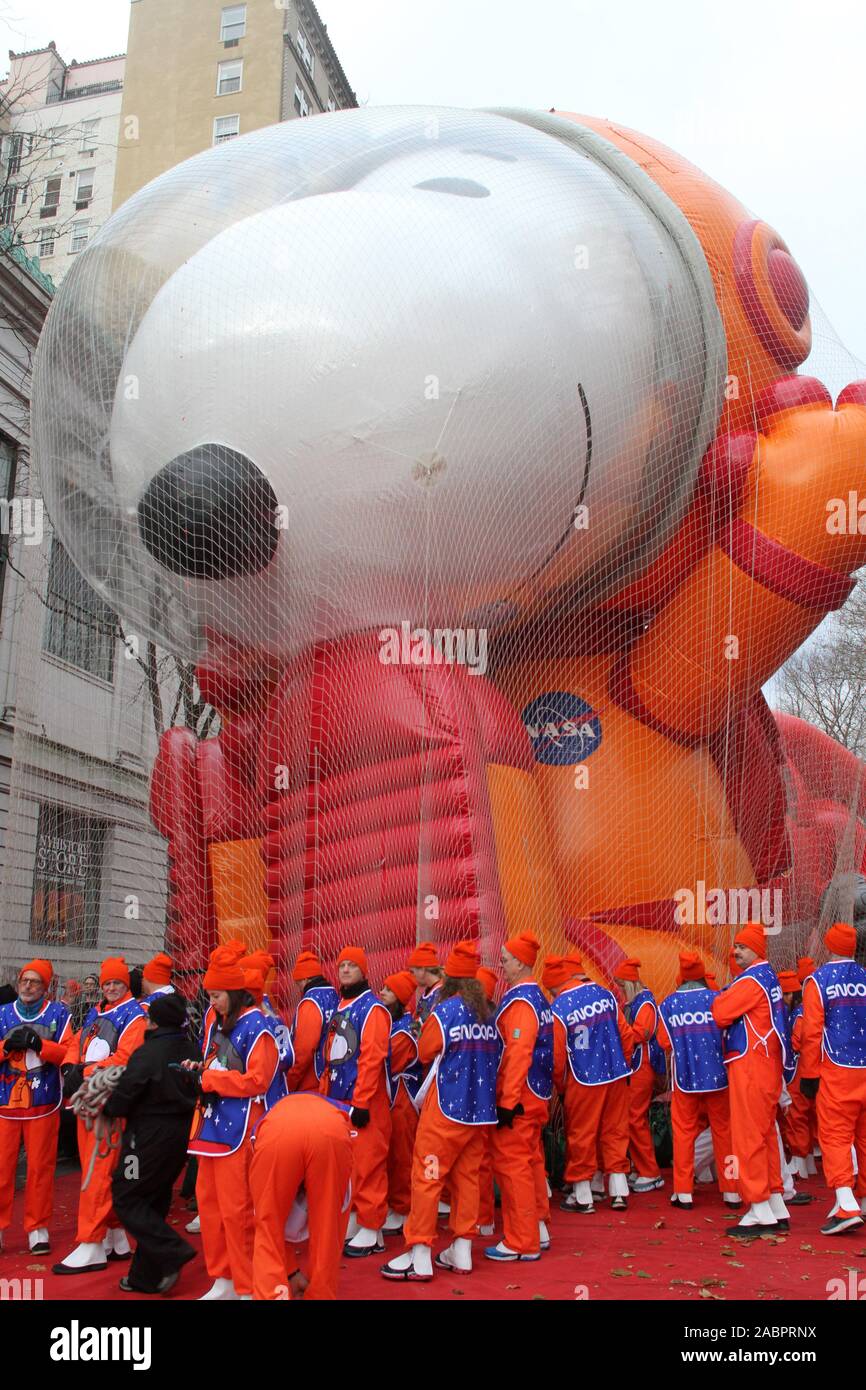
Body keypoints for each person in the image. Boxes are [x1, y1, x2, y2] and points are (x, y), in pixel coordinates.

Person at [381, 940, 498, 1281]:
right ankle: (461, 1250)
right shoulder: (488, 1013)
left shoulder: (445, 1012)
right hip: (480, 1111)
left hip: (446, 1108)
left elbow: (426, 1050)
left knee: (427, 1177)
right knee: (466, 1180)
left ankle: (419, 1253)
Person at [185, 946, 281, 1300]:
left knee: (237, 1210)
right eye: (210, 995)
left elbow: (259, 1080)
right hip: (210, 1124)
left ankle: (246, 1284)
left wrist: (210, 1081)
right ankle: (221, 1278)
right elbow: (216, 1065)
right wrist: (198, 1072)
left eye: (217, 996)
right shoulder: (217, 1021)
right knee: (209, 1207)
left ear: (235, 993)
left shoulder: (259, 1025)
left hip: (241, 1128)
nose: (212, 1003)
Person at [53, 957, 147, 1274]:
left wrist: (86, 1070)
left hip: (108, 1103)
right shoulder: (98, 1011)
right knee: (103, 1170)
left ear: (125, 984)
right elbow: (78, 1041)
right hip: (91, 1099)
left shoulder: (135, 1016)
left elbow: (126, 1058)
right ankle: (115, 1234)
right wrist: (70, 1065)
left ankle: (91, 1242)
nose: (110, 987)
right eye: (107, 983)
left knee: (98, 1171)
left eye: (116, 982)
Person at [103, 992, 198, 1294]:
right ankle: (144, 1276)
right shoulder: (191, 1047)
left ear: (153, 1021)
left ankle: (172, 1251)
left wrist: (108, 1107)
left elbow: (126, 1094)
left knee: (126, 1194)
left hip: (145, 1138)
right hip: (182, 1133)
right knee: (155, 1199)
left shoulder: (148, 1053)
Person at [711, 923, 792, 1237]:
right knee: (765, 1136)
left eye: (742, 947)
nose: (736, 952)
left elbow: (720, 1012)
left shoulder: (752, 979)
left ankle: (758, 1207)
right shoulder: (768, 975)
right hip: (767, 1066)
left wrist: (722, 996)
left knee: (747, 1138)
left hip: (750, 1065)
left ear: (756, 948)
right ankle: (775, 1202)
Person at [485, 931, 553, 1262]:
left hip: (521, 1097)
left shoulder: (523, 1002)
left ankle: (520, 1240)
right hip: (535, 1094)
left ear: (521, 963)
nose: (502, 964)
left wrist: (507, 1102)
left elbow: (518, 1052)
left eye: (506, 959)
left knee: (514, 1167)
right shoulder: (538, 998)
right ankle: (536, 1228)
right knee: (532, 1162)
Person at [321, 945, 392, 1256]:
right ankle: (357, 1216)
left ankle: (373, 1224)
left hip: (365, 1101)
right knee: (349, 1165)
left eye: (352, 965)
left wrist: (361, 1102)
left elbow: (372, 1058)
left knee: (368, 1164)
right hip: (340, 1097)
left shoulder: (373, 1009)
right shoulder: (342, 1005)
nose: (346, 970)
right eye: (342, 965)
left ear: (364, 971)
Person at [656, 951, 740, 1211]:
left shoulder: (668, 1004)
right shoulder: (718, 998)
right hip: (719, 1077)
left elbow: (663, 1042)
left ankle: (683, 1192)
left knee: (683, 1135)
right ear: (703, 973)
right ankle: (732, 1191)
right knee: (725, 1133)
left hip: (684, 1078)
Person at [250, 1092, 354, 1300]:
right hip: (331, 1128)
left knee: (267, 1226)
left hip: (277, 1131)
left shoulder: (267, 1119)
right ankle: (321, 1295)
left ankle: (273, 1295)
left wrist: (289, 1271)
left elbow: (264, 1214)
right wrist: (292, 1272)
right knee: (328, 1228)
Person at [552, 950, 633, 1214]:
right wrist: (625, 1065)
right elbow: (626, 1035)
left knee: (581, 1135)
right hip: (616, 1073)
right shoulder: (606, 994)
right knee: (615, 1131)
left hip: (583, 1077)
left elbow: (557, 1057)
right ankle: (619, 1191)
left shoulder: (559, 1007)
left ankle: (582, 1194)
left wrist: (562, 1088)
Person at [0, 959, 71, 1253]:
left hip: (44, 1102)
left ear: (46, 987)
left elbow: (68, 1052)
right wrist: (5, 1047)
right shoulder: (3, 1013)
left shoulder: (59, 1013)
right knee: (1, 1169)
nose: (28, 986)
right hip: (5, 1104)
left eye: (35, 982)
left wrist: (40, 1045)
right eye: (24, 981)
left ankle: (37, 1228)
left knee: (40, 1168)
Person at [799, 922, 866, 1235]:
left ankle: (845, 1202)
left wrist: (809, 1074)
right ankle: (862, 1199)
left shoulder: (818, 980)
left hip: (837, 1069)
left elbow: (812, 1032)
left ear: (828, 946)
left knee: (835, 1135)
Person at [613, 957, 666, 1193]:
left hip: (641, 1066)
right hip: (635, 1065)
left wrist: (619, 1031)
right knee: (631, 1118)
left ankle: (650, 1171)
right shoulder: (636, 1003)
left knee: (635, 1118)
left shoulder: (645, 1004)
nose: (620, 990)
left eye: (622, 985)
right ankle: (640, 1167)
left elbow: (641, 1034)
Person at [381, 970, 420, 1236]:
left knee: (402, 1155)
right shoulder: (391, 1024)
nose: (381, 992)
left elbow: (388, 1063)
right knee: (392, 1156)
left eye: (388, 990)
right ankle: (396, 1205)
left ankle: (404, 1208)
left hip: (402, 1099)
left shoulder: (404, 1031)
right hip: (392, 1098)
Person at [776, 969, 813, 1196]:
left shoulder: (799, 1013)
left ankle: (800, 1159)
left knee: (797, 1114)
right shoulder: (795, 1012)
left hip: (798, 1069)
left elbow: (797, 1042)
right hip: (798, 1068)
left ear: (790, 995)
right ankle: (804, 1161)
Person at [285, 951, 339, 1093]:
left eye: (298, 984)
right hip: (333, 1076)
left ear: (305, 980)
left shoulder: (311, 1002)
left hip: (312, 1081)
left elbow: (304, 1049)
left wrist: (290, 1081)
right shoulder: (334, 995)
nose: (299, 989)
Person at [476, 964, 500, 1235]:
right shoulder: (497, 1018)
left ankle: (484, 1218)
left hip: (481, 1098)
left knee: (481, 1159)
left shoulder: (478, 1020)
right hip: (494, 1095)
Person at [408, 941, 444, 1026]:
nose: (412, 976)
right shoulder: (428, 991)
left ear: (422, 969)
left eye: (412, 972)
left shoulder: (441, 993)